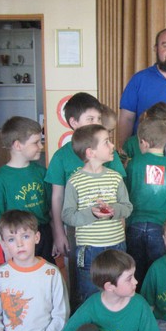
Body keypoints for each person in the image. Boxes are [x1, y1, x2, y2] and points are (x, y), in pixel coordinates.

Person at [45, 92, 126, 259]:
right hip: (74, 227)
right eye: (90, 119)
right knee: (80, 269)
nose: (96, 123)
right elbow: (57, 197)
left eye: (98, 119)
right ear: (74, 122)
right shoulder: (61, 156)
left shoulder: (109, 154)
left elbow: (120, 195)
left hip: (109, 230)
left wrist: (121, 228)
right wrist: (59, 233)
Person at [61, 124, 133, 305]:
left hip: (116, 245)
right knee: (90, 292)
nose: (112, 146)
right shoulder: (75, 181)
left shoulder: (115, 177)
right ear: (90, 152)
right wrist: (91, 213)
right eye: (106, 142)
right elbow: (68, 215)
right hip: (89, 249)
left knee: (119, 291)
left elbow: (127, 207)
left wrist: (113, 210)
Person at [125, 115, 166, 286]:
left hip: (134, 224)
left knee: (135, 270)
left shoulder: (132, 164)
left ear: (143, 143)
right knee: (159, 269)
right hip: (160, 226)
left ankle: (137, 298)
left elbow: (124, 194)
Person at [0, 116, 54, 263]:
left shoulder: (41, 172)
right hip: (18, 238)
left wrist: (56, 237)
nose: (41, 146)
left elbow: (51, 209)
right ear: (17, 145)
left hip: (43, 233)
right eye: (35, 142)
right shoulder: (0, 180)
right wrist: (5, 247)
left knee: (45, 270)